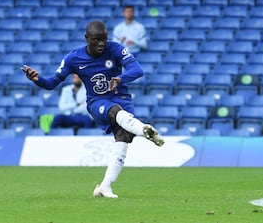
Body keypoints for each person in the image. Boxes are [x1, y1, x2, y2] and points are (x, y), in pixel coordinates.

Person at [21, 20, 164, 198]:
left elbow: (137, 70)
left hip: (121, 97)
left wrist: (120, 78)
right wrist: (37, 79)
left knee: (123, 137)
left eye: (104, 39)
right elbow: (52, 83)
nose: (101, 44)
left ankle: (105, 186)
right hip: (97, 101)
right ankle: (144, 130)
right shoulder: (73, 58)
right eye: (96, 40)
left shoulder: (116, 49)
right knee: (115, 110)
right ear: (86, 38)